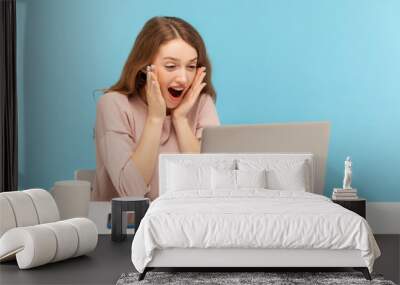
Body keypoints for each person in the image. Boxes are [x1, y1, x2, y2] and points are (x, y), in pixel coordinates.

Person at [91, 16, 220, 201]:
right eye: (171, 66)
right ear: (145, 67)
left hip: (184, 223)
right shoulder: (113, 105)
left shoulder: (201, 104)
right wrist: (155, 119)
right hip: (125, 228)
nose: (183, 79)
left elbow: (209, 184)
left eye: (191, 66)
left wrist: (181, 120)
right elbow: (131, 193)